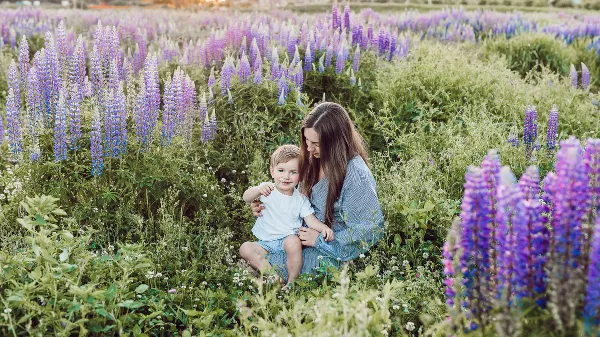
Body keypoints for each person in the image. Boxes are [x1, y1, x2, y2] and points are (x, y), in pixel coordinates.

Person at [250, 102, 385, 281]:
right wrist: (268, 204)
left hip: (330, 246)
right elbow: (296, 199)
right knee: (253, 250)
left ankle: (280, 279)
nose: (309, 148)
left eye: (316, 144)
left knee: (286, 263)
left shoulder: (355, 174)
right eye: (307, 140)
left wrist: (319, 240)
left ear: (335, 142)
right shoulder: (312, 157)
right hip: (295, 235)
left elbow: (369, 228)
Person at [240, 145, 335, 288]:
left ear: (301, 175)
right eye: (281, 170)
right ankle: (273, 275)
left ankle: (291, 282)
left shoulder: (300, 199)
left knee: (293, 242)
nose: (286, 176)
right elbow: (246, 197)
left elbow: (311, 220)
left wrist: (324, 228)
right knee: (245, 248)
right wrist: (258, 189)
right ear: (272, 172)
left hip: (287, 240)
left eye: (293, 172)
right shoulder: (267, 190)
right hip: (265, 242)